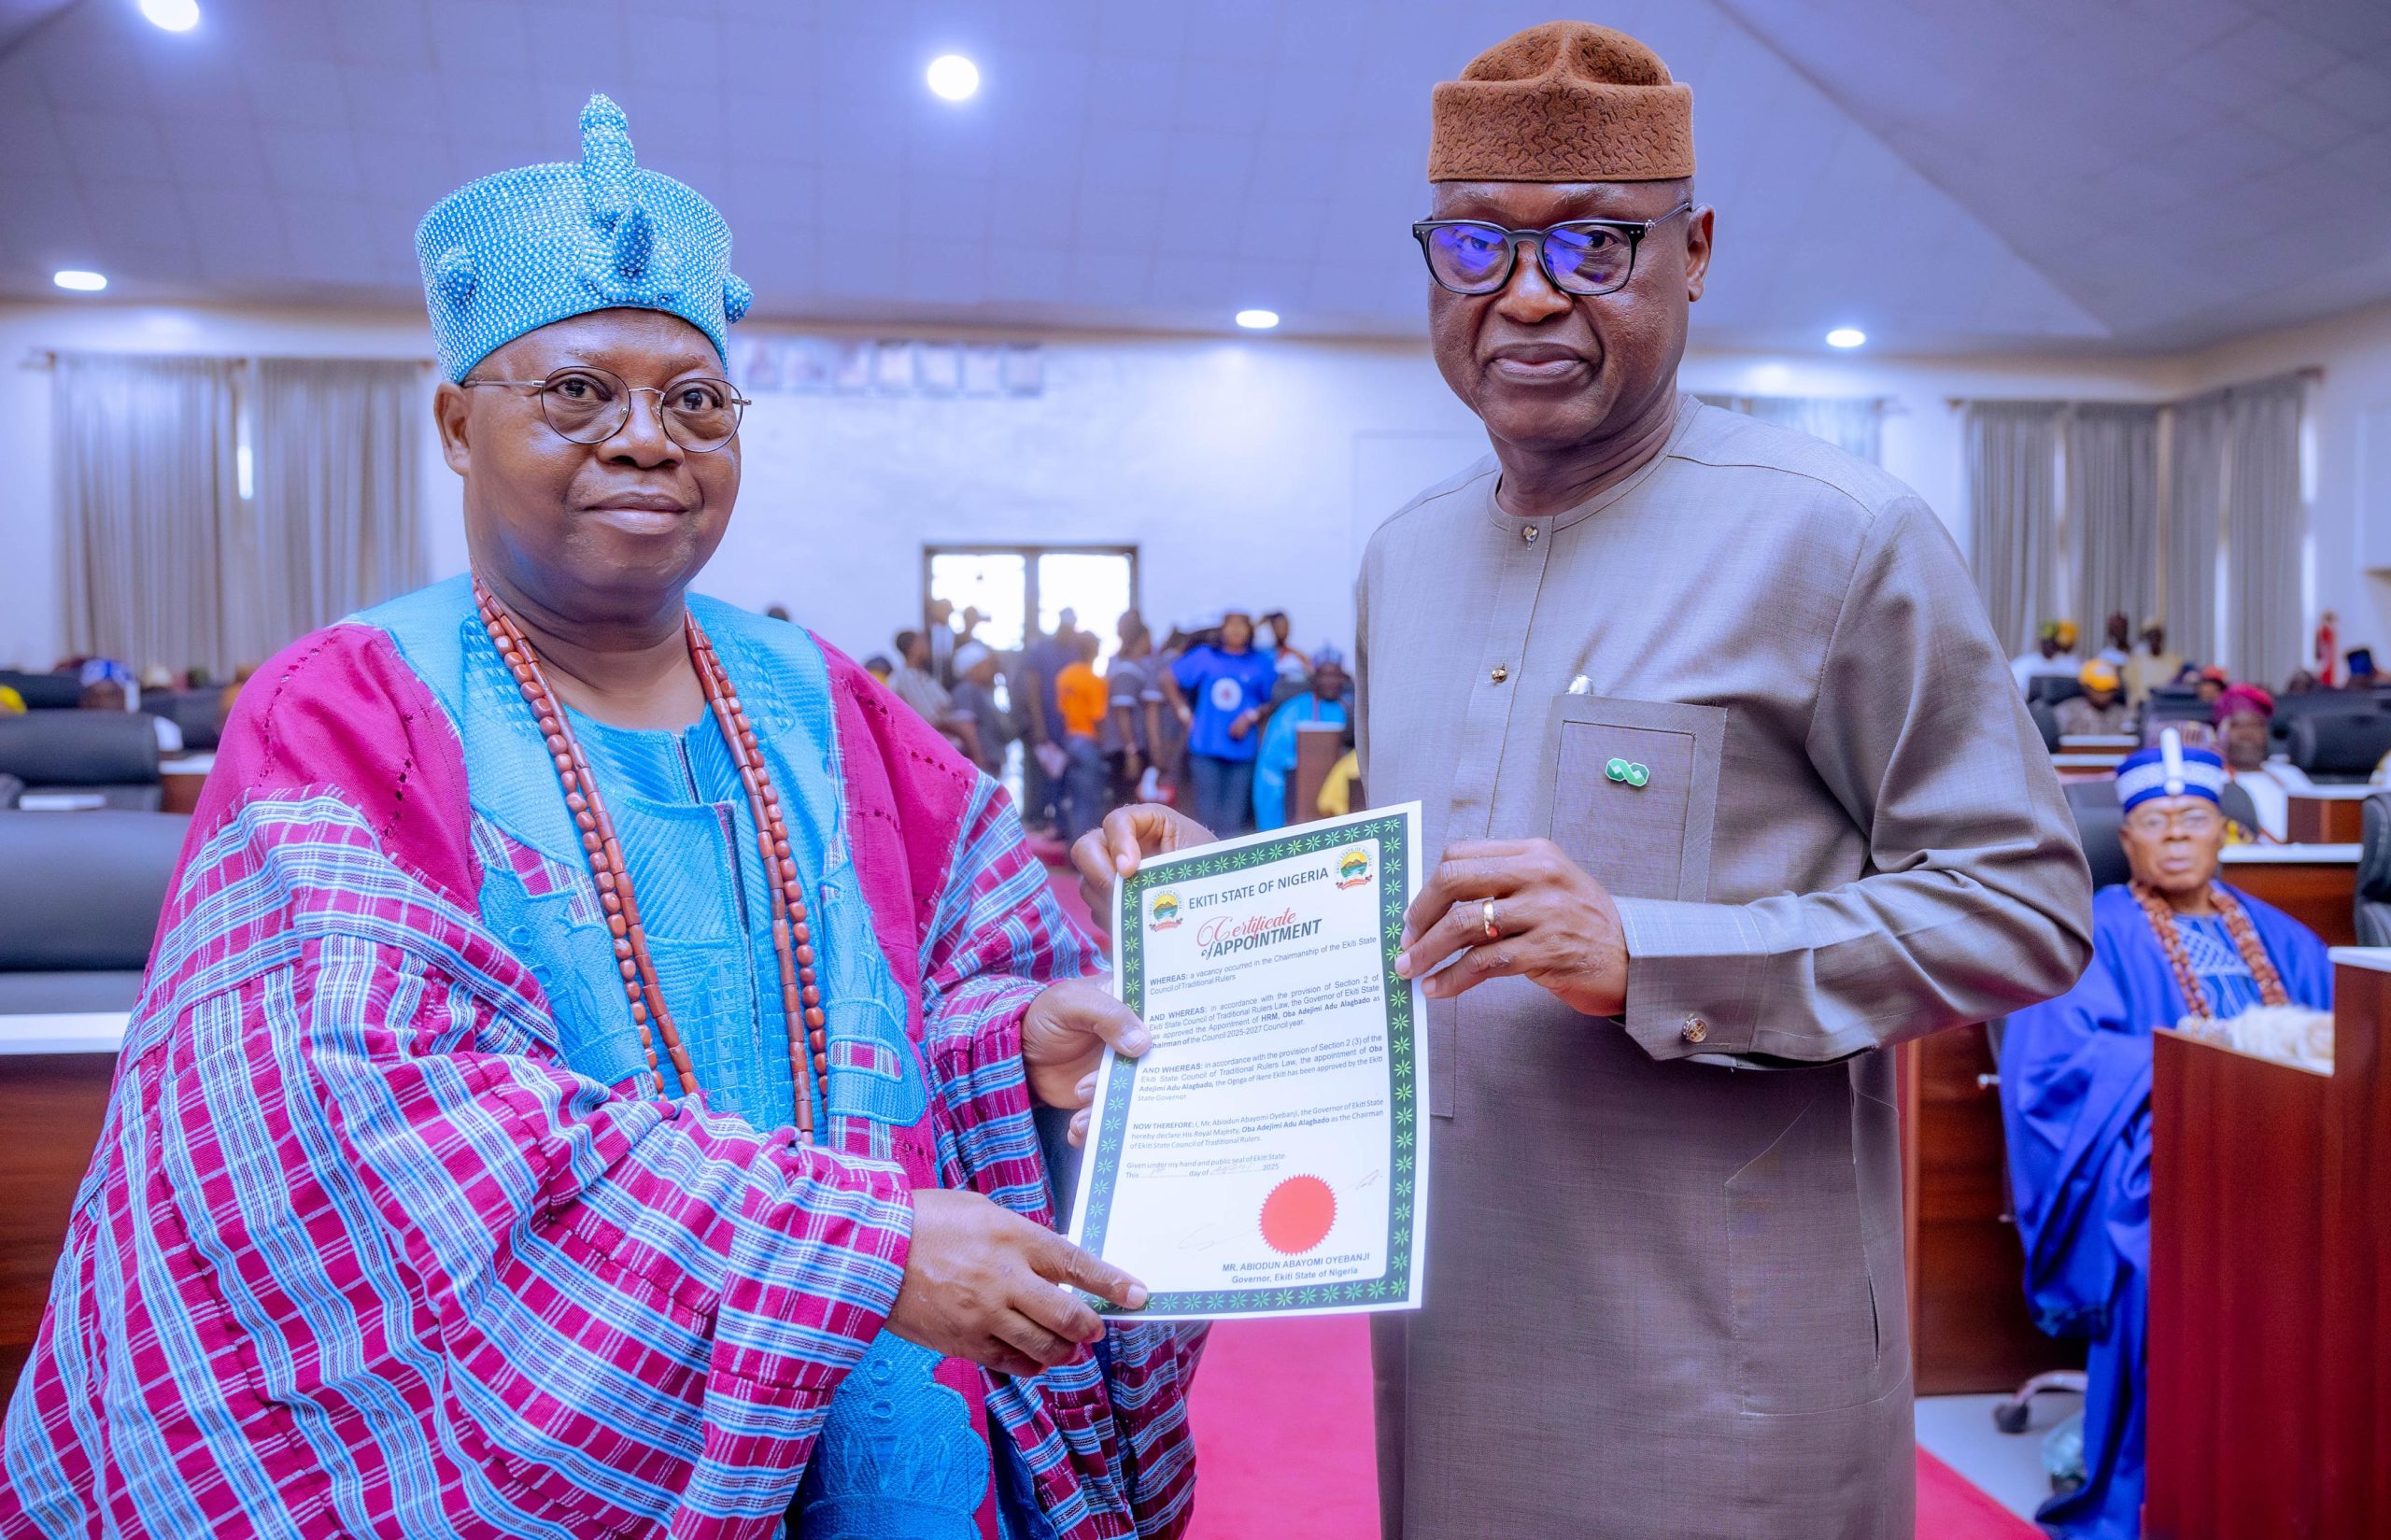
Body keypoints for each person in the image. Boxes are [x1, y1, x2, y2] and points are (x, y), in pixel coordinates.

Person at [0, 96, 1203, 1538]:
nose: (646, 440)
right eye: (577, 391)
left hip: (885, 1406)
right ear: (458, 424)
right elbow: (361, 1131)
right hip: (548, 1442)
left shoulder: (832, 702)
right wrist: (853, 1255)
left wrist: (1017, 1045)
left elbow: (950, 988)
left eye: (697, 400)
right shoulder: (351, 708)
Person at [1074, 24, 2089, 1537]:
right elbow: (1430, 910)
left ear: (1695, 252)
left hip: (1721, 1360)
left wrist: (1656, 955)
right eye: (1475, 242)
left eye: (1593, 244)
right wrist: (1214, 901)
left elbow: (2025, 908)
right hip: (1453, 1319)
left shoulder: (1838, 537)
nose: (1529, 293)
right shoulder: (1405, 557)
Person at [2002, 731, 2331, 1538]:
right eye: (2155, 821)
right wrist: (2201, 1057)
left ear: (2226, 831)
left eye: (2194, 819)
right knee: (2166, 1242)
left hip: (2299, 1152)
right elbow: (2057, 1068)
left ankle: (2310, 1470)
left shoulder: (2288, 939)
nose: (2177, 835)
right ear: (2126, 839)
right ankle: (2167, 1474)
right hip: (2157, 1156)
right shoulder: (2091, 932)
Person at [1166, 608, 1279, 837]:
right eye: (1231, 624)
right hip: (1206, 746)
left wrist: (1251, 716)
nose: (1236, 630)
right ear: (1222, 629)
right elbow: (1168, 677)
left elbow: (1272, 700)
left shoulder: (1260, 663)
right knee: (1207, 815)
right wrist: (1183, 712)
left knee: (1233, 818)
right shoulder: (1205, 656)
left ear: (1250, 631)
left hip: (1243, 751)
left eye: (1242, 625)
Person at [1251, 647, 1349, 830]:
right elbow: (1273, 762)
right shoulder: (1293, 710)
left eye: (1336, 676)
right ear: (1314, 678)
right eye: (1325, 676)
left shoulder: (1346, 709)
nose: (1331, 682)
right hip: (1292, 794)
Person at [889, 627, 982, 764]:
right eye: (923, 642)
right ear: (914, 647)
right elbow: (930, 718)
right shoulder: (906, 679)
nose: (928, 646)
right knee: (968, 728)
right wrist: (962, 729)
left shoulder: (923, 675)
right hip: (940, 747)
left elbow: (946, 703)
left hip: (951, 739)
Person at [1054, 632, 1111, 841]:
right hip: (1088, 742)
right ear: (1094, 650)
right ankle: (1086, 849)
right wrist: (1104, 745)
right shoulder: (1094, 680)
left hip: (1070, 740)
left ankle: (1073, 847)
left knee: (1076, 799)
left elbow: (1062, 711)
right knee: (1091, 801)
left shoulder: (1064, 676)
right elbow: (1098, 717)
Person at [1105, 619, 1167, 804]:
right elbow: (1122, 713)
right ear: (1142, 639)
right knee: (1127, 805)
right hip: (1126, 750)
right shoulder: (1127, 670)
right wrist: (1131, 752)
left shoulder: (1140, 667)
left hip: (1133, 748)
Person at [2214, 683, 2286, 841]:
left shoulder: (2289, 774)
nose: (2247, 735)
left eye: (2255, 725)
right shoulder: (2213, 783)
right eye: (2237, 726)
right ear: (2221, 733)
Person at [950, 640, 1012, 776]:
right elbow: (967, 728)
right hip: (982, 764)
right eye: (986, 664)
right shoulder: (966, 690)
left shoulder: (982, 690)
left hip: (991, 761)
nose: (990, 668)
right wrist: (979, 760)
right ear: (973, 668)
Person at [2055, 659, 2130, 736]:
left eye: (2109, 690)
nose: (2104, 695)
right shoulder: (2067, 711)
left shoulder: (2123, 714)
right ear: (2085, 687)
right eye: (2099, 689)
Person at [2120, 616, 2182, 706]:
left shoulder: (2174, 660)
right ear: (2146, 637)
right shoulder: (2135, 662)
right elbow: (2132, 689)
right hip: (2143, 706)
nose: (2154, 638)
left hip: (2168, 706)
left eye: (2157, 635)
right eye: (2151, 635)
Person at [2012, 618, 2082, 693]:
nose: (2050, 646)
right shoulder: (2023, 664)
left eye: (2054, 643)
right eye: (2047, 642)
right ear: (2041, 642)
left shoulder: (2069, 665)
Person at [926, 595, 957, 685]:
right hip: (929, 679)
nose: (944, 612)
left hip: (950, 682)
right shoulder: (927, 634)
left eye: (946, 609)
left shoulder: (955, 636)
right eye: (941, 609)